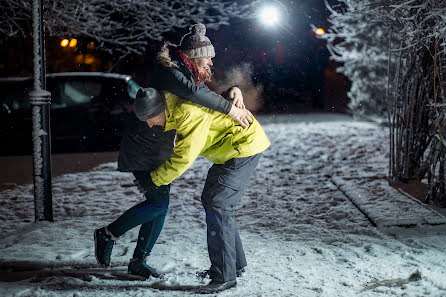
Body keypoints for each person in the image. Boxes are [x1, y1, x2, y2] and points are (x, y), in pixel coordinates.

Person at [94, 23, 252, 279]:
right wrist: (231, 109)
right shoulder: (172, 72)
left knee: (160, 204)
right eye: (208, 58)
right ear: (193, 56)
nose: (211, 63)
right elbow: (194, 94)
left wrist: (232, 91)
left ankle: (137, 260)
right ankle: (109, 234)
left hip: (159, 145)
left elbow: (200, 99)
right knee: (158, 204)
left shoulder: (184, 72)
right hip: (144, 146)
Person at [133, 87, 270, 293]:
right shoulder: (174, 107)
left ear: (160, 109)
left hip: (243, 146)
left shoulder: (187, 114)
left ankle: (224, 275)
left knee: (219, 203)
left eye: (150, 117)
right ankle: (234, 265)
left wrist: (153, 180)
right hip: (229, 149)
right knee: (213, 200)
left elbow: (184, 158)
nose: (149, 123)